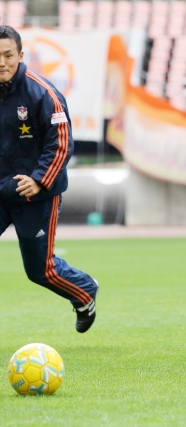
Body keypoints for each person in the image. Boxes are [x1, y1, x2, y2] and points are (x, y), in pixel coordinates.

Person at [0, 26, 98, 333]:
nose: (2, 62)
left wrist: (40, 180)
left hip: (36, 194)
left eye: (8, 55)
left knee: (41, 271)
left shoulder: (42, 93)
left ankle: (85, 292)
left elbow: (61, 142)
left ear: (20, 56)